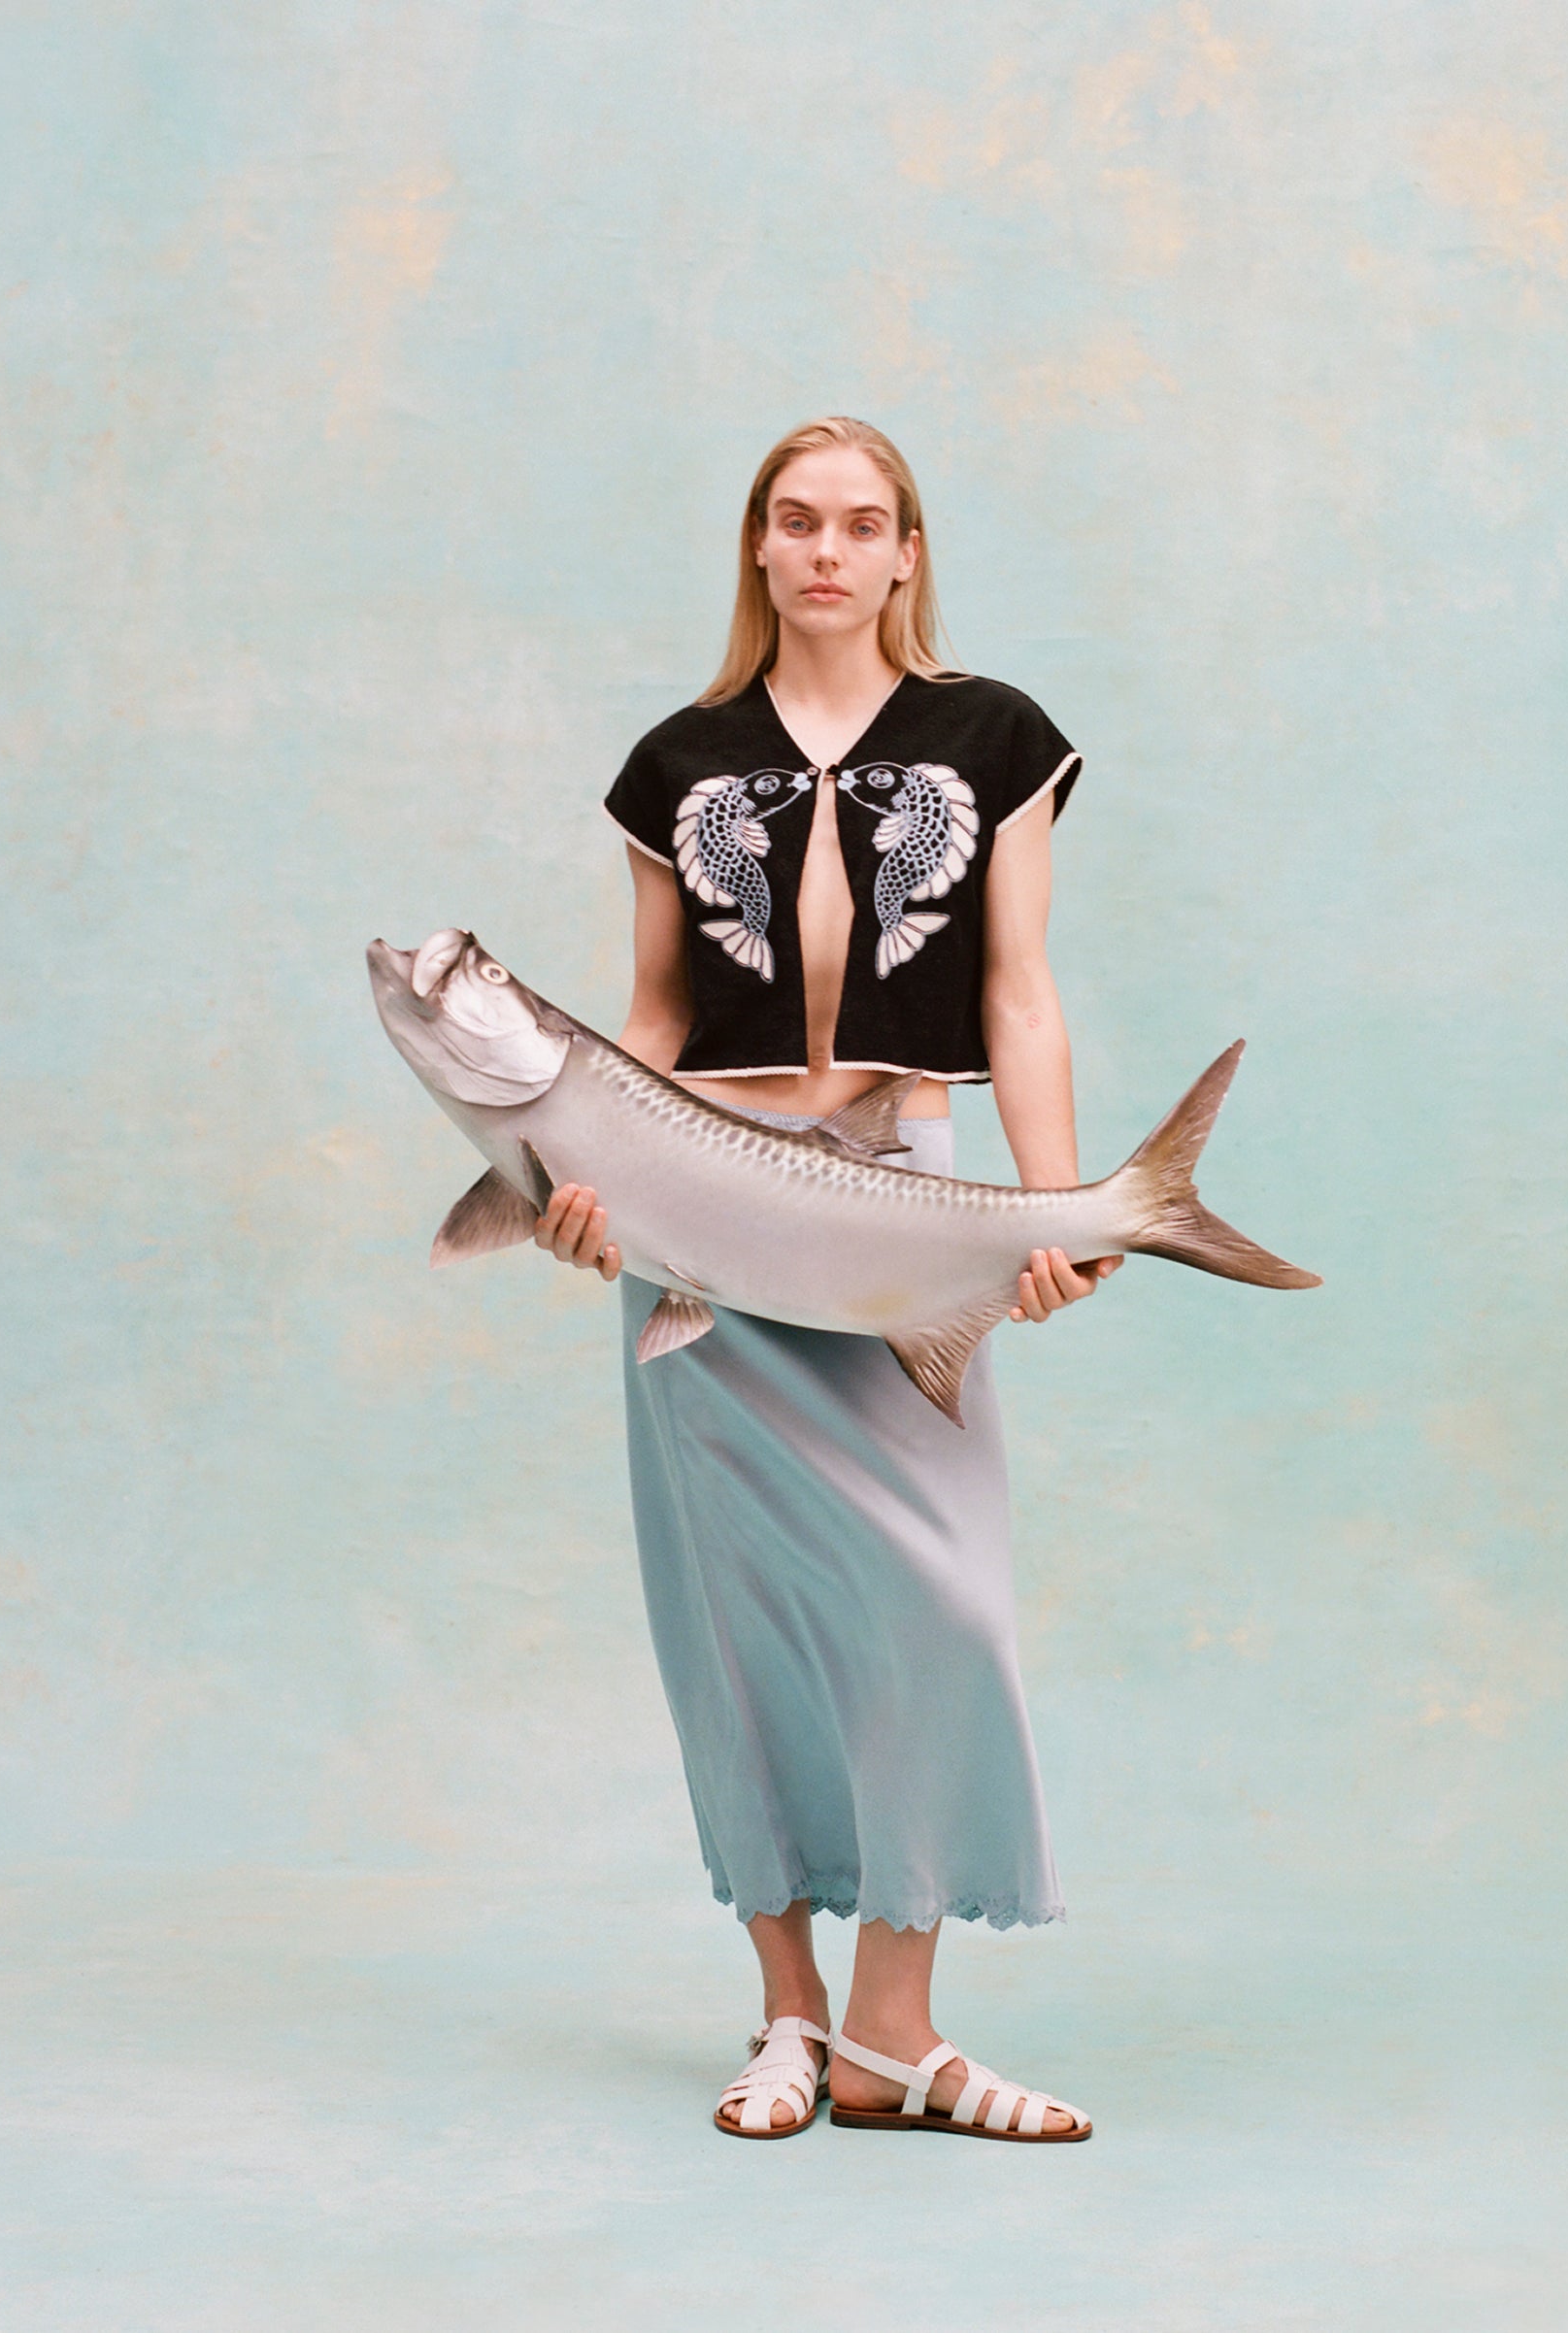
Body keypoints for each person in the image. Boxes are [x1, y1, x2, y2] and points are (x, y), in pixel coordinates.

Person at [536, 417, 1116, 2143]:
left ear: (907, 551)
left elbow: (1016, 989)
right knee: (740, 1630)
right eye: (796, 523)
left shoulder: (992, 741)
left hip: (899, 1205)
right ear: (759, 550)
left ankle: (896, 2031)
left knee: (941, 1606)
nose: (828, 553)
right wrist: (579, 1185)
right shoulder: (676, 761)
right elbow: (646, 1022)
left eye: (863, 524)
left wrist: (1054, 1205)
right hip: (697, 1203)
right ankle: (790, 2022)